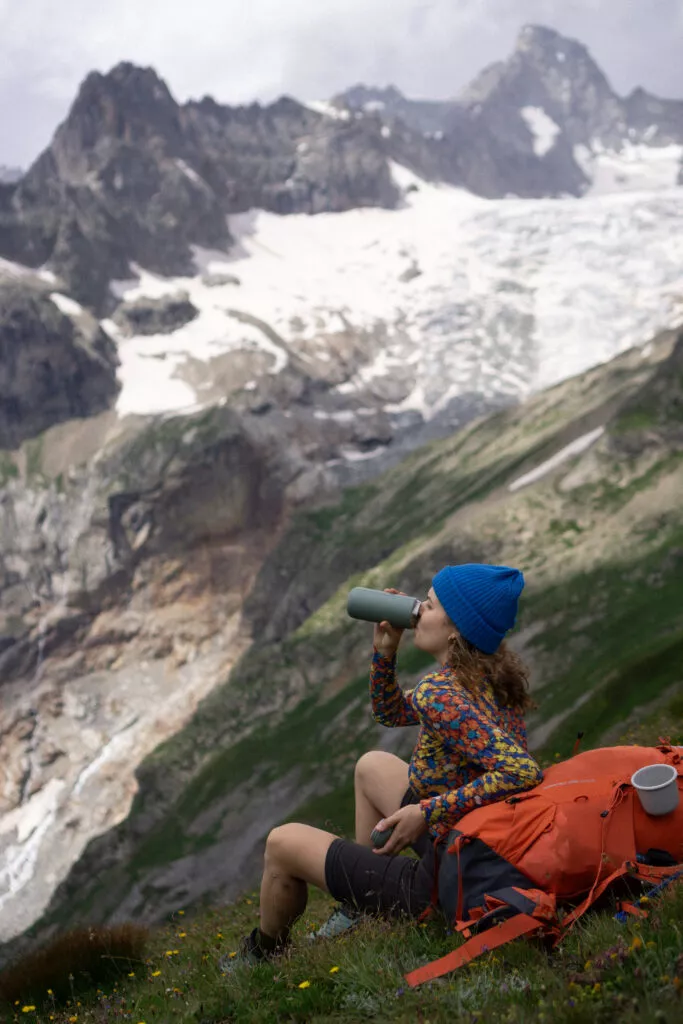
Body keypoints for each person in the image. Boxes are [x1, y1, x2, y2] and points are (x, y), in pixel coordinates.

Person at [220, 563, 543, 971]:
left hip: (449, 880)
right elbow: (390, 712)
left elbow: (523, 772)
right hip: (477, 845)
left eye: (430, 604)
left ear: (455, 629)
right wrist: (385, 652)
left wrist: (426, 812)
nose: (418, 610)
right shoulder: (487, 677)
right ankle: (359, 909)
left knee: (282, 844)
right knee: (371, 765)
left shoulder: (441, 693)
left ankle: (263, 955)